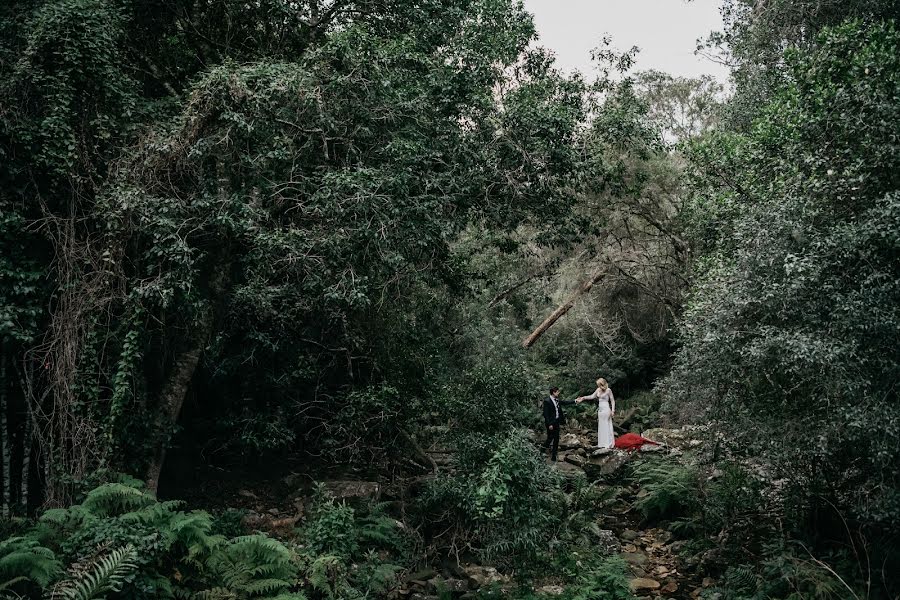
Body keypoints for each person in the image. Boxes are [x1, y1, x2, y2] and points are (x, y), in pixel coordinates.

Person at [577, 378, 615, 449]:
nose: (599, 386)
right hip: (600, 410)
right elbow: (591, 396)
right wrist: (583, 398)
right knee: (601, 426)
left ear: (602, 384)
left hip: (606, 409)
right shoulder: (598, 390)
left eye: (599, 385)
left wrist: (613, 411)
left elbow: (612, 401)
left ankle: (608, 444)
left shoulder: (608, 390)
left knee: (606, 425)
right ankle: (601, 443)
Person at [542, 386, 575, 462]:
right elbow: (545, 414)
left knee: (556, 439)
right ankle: (542, 451)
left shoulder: (557, 400)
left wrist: (575, 401)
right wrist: (549, 424)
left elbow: (565, 402)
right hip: (550, 423)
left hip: (557, 422)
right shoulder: (547, 401)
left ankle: (554, 456)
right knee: (550, 438)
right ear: (553, 392)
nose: (558, 393)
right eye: (557, 392)